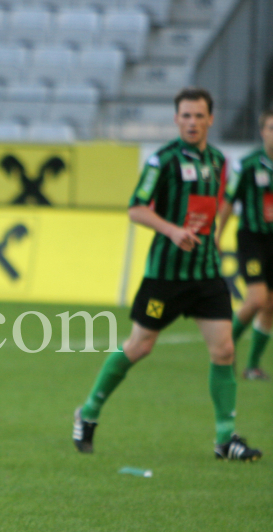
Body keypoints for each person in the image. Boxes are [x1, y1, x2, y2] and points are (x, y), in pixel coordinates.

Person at [72, 88, 261, 462]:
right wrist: (173, 230)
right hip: (166, 276)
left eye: (199, 116)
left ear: (210, 119)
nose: (192, 122)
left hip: (206, 273)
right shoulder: (163, 161)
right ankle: (89, 410)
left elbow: (216, 207)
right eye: (185, 116)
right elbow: (135, 209)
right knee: (140, 346)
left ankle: (225, 437)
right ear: (176, 119)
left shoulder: (221, 162)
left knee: (223, 349)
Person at [216, 108, 273, 380]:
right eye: (271, 128)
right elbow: (228, 201)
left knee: (270, 306)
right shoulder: (248, 164)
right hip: (252, 238)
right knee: (257, 299)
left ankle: (252, 366)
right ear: (262, 132)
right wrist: (217, 235)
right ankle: (225, 348)